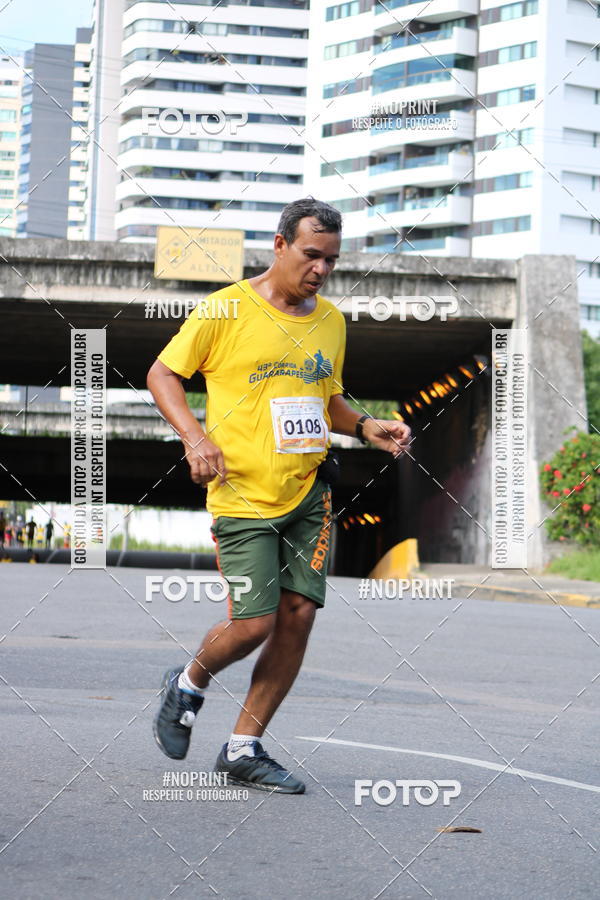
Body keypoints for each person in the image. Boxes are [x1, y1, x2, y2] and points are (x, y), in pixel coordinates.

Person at [147, 197, 412, 794]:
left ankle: (244, 746)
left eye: (332, 260)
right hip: (241, 496)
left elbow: (329, 401)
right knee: (253, 624)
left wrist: (371, 426)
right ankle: (187, 683)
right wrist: (195, 436)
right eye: (311, 254)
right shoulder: (227, 309)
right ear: (280, 245)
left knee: (297, 619)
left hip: (309, 494)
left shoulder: (332, 321)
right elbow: (162, 374)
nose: (320, 269)